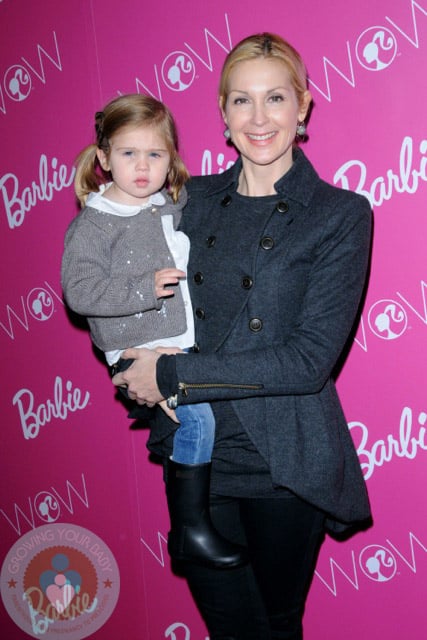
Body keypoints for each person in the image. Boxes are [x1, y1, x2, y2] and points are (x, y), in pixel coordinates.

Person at [112, 34, 373, 640]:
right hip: (198, 455)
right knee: (231, 628)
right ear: (223, 112)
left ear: (303, 107)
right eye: (241, 101)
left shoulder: (338, 214)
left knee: (276, 626)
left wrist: (172, 376)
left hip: (284, 463)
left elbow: (308, 362)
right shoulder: (187, 200)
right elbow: (126, 290)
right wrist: (130, 363)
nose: (259, 119)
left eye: (275, 98)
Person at [61, 93, 247, 570]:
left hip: (174, 342)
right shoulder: (96, 223)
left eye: (155, 154)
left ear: (171, 160)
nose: (142, 167)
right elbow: (79, 293)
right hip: (136, 350)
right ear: (103, 158)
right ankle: (190, 529)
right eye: (128, 153)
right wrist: (143, 287)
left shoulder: (166, 203)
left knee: (206, 419)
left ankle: (195, 525)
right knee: (200, 420)